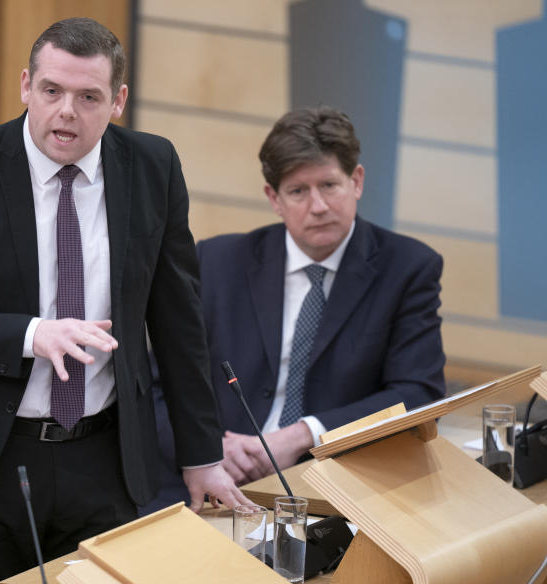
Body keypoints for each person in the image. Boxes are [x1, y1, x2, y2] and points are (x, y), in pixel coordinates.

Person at [0, 17, 248, 584]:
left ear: (119, 101)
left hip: (104, 459)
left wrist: (201, 454)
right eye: (52, 91)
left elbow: (179, 321)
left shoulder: (153, 167)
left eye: (88, 97)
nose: (66, 113)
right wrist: (31, 335)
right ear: (26, 85)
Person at [148, 106, 446, 509]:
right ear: (274, 198)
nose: (318, 205)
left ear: (356, 181)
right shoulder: (218, 261)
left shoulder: (408, 268)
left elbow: (419, 394)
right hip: (211, 482)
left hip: (338, 489)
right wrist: (207, 450)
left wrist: (305, 435)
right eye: (298, 191)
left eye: (329, 185)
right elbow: (155, 386)